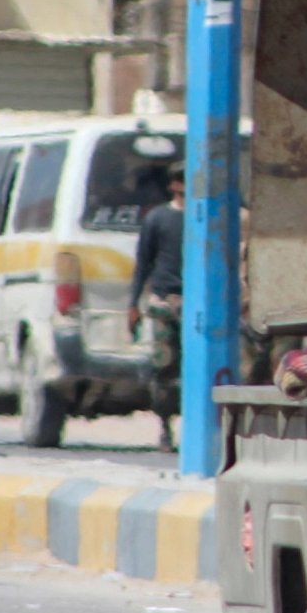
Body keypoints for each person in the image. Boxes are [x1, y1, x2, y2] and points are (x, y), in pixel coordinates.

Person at [128, 166, 185, 451]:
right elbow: (143, 264)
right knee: (164, 368)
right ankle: (165, 428)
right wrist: (133, 304)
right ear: (174, 185)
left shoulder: (207, 218)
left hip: (197, 305)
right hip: (164, 301)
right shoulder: (158, 219)